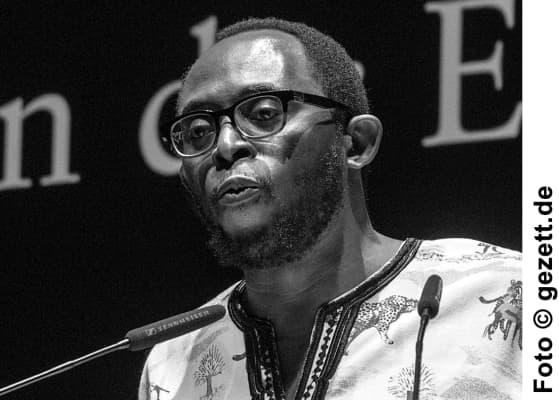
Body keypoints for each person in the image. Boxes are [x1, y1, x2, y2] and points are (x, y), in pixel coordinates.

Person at [139, 18, 521, 400]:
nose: (225, 146)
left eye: (264, 113)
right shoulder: (172, 364)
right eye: (198, 132)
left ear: (356, 143)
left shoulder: (514, 291)